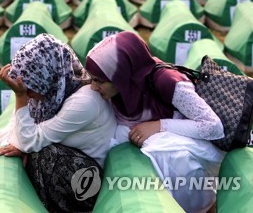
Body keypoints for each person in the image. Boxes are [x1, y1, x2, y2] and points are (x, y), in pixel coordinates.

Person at [84, 31, 225, 213]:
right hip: (176, 144)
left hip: (200, 147)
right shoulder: (122, 91)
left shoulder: (167, 81)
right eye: (91, 79)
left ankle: (205, 207)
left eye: (99, 81)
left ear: (120, 75)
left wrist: (159, 126)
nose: (93, 87)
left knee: (160, 148)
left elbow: (213, 127)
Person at [0, 33, 116, 212]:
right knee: (37, 148)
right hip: (76, 165)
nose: (28, 94)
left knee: (45, 154)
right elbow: (8, 133)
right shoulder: (50, 94)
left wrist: (19, 97)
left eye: (29, 88)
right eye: (22, 88)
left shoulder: (84, 102)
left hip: (90, 183)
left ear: (47, 76)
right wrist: (23, 145)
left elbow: (27, 141)